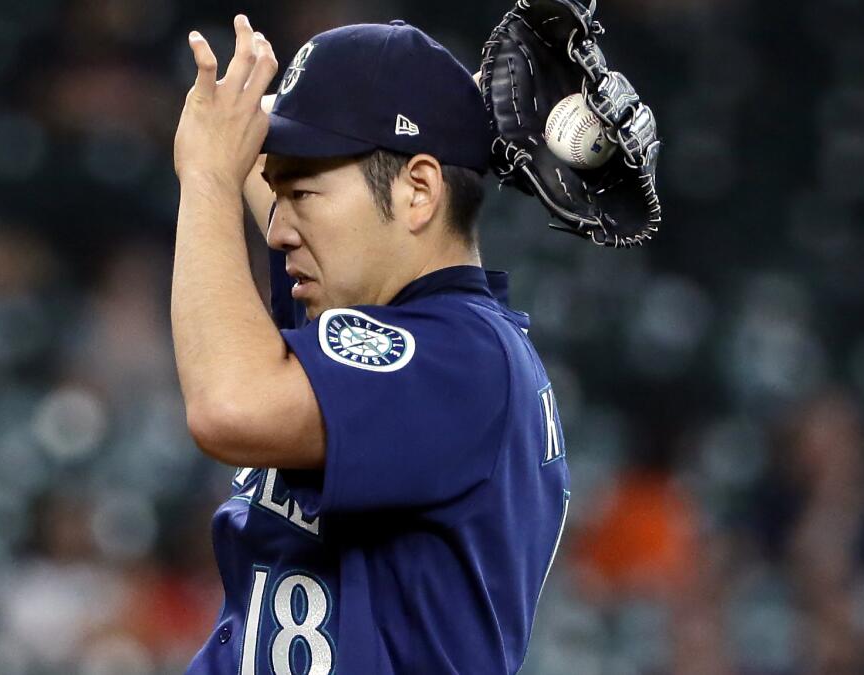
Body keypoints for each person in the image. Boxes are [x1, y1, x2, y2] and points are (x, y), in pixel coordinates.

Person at [171, 14, 570, 674]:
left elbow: (228, 407)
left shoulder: (462, 359)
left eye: (302, 194)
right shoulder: (377, 319)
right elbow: (261, 146)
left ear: (419, 191)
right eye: (278, 194)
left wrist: (208, 177)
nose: (278, 230)